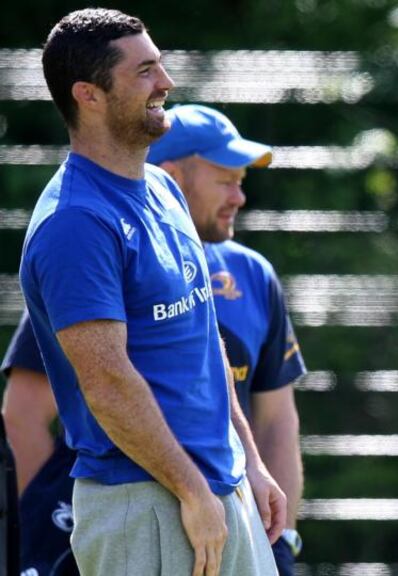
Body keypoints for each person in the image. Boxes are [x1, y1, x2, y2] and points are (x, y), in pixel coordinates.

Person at [17, 8, 284, 575]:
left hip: (218, 489)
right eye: (144, 72)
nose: (165, 84)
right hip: (146, 502)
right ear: (88, 95)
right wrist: (192, 493)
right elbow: (108, 384)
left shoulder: (161, 187)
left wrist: (250, 463)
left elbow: (202, 339)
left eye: (159, 66)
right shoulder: (77, 223)